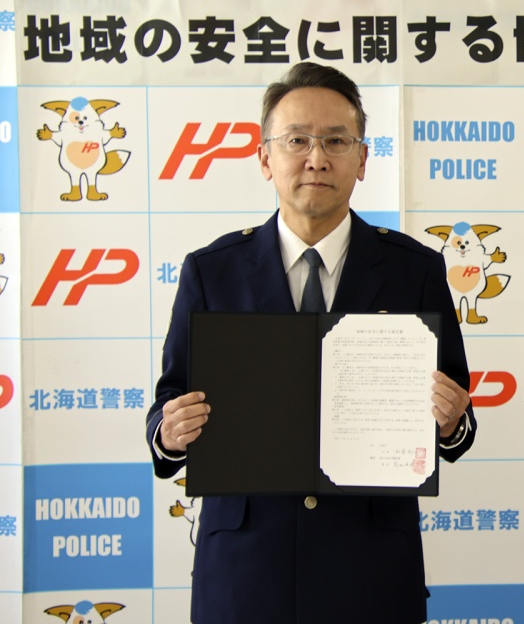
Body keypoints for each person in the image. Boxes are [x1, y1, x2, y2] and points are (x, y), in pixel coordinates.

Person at [145, 62, 476, 623]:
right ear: (264, 157)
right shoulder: (212, 271)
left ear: (362, 159)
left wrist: (451, 421)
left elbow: (457, 421)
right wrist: (170, 432)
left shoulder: (413, 271)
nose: (316, 158)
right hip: (246, 571)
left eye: (336, 141)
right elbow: (169, 400)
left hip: (370, 570)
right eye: (297, 140)